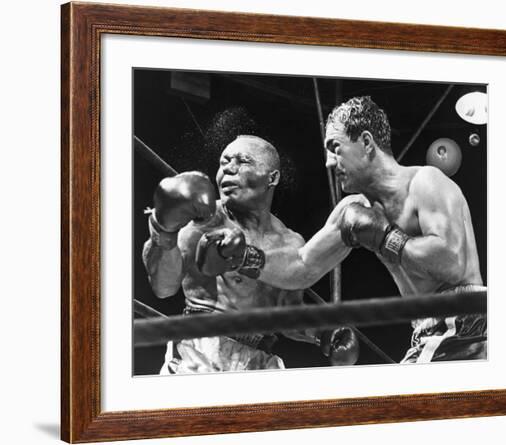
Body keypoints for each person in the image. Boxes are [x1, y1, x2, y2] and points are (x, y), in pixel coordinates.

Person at [211, 97, 486, 364]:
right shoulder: (352, 209)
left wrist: (385, 236)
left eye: (335, 147)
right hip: (426, 332)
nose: (330, 162)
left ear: (366, 142)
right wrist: (244, 256)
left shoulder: (425, 181)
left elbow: (451, 263)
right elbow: (301, 266)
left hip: (466, 324)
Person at [142, 135, 359, 373]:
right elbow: (163, 288)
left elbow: (286, 314)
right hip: (200, 349)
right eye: (224, 163)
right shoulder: (204, 222)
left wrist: (322, 333)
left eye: (242, 161)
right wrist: (162, 231)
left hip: (259, 359)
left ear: (272, 178)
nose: (228, 170)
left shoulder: (289, 242)